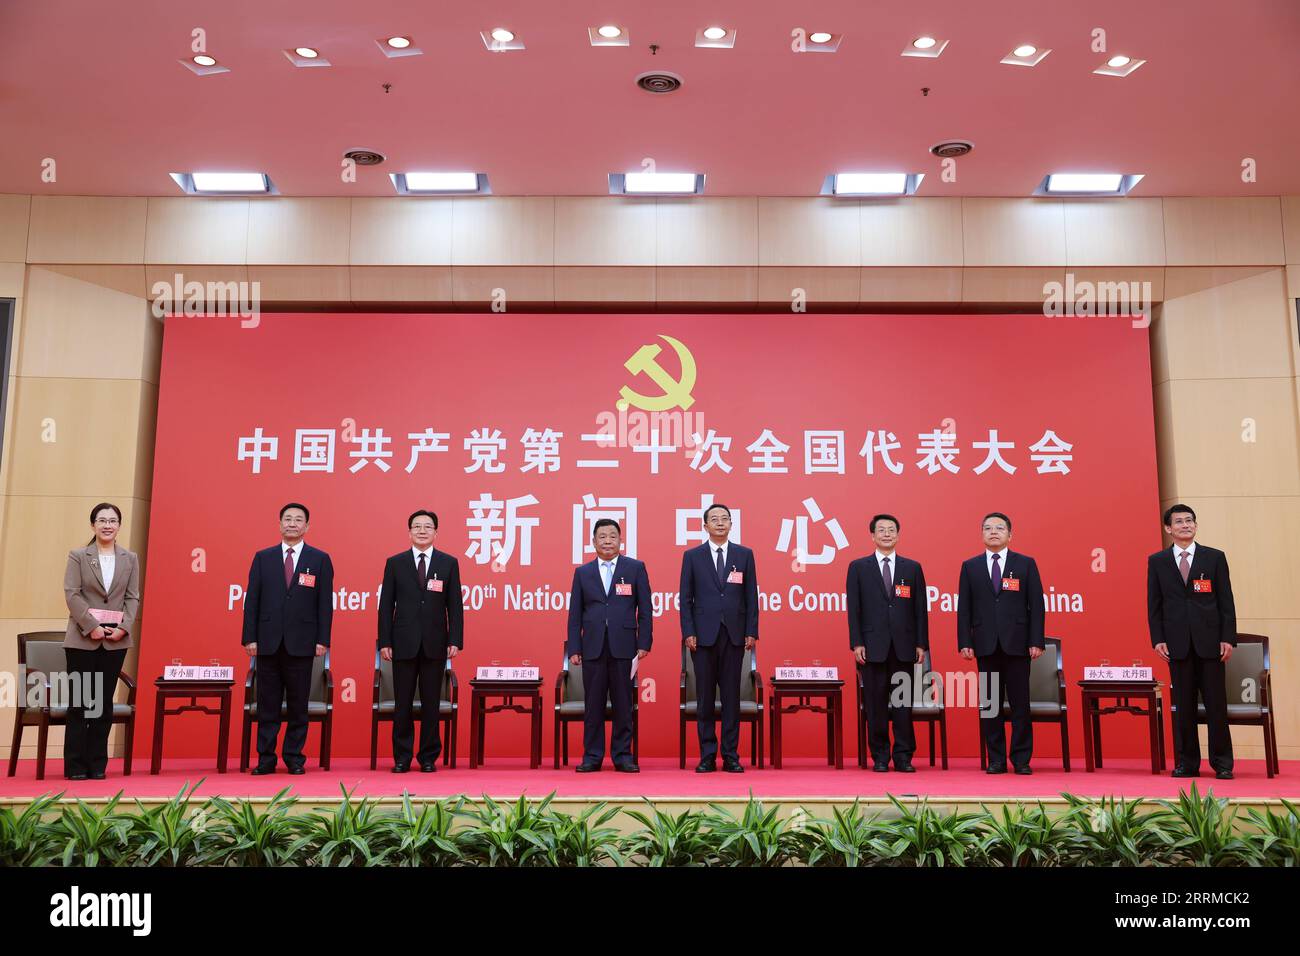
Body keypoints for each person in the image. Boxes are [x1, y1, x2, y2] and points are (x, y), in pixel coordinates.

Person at [240, 502, 333, 775]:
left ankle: (294, 758)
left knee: (297, 704)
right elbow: (252, 601)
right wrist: (250, 638)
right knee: (267, 704)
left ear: (307, 526)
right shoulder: (263, 558)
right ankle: (265, 758)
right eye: (288, 519)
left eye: (298, 520)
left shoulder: (319, 559)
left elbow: (324, 604)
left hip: (303, 643)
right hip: (267, 642)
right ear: (279, 524)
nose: (292, 524)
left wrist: (322, 640)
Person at [1147, 503, 1236, 780]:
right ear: (1168, 528)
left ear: (1195, 526)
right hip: (1177, 644)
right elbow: (1154, 604)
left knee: (1215, 706)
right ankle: (1187, 763)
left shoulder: (1214, 558)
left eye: (1189, 521)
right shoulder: (1158, 561)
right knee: (1183, 707)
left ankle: (1222, 763)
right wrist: (1158, 638)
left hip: (1211, 643)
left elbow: (1226, 602)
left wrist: (1227, 638)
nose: (1185, 525)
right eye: (1179, 522)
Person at [957, 511, 1044, 775]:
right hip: (985, 644)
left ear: (1010, 534)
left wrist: (1036, 640)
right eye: (988, 528)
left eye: (999, 528)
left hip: (1018, 645)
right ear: (981, 534)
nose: (993, 532)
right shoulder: (970, 566)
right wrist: (965, 641)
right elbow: (964, 608)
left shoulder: (1025, 564)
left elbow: (1037, 606)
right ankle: (995, 759)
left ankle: (1021, 759)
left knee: (1020, 704)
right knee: (990, 704)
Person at [378, 509, 464, 773]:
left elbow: (455, 606)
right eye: (417, 526)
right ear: (409, 532)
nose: (422, 530)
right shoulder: (395, 563)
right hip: (402, 643)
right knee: (402, 704)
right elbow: (386, 606)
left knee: (431, 705)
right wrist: (385, 642)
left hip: (435, 643)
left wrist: (455, 640)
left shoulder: (448, 563)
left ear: (436, 532)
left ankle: (428, 757)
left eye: (428, 526)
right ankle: (402, 758)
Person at [565, 519, 652, 773]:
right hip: (592, 646)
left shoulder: (635, 568)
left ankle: (623, 755)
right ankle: (592, 755)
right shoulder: (583, 573)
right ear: (593, 542)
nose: (607, 541)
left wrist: (644, 642)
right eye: (601, 537)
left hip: (624, 646)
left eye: (612, 536)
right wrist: (575, 648)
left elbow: (645, 609)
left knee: (624, 703)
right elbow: (575, 614)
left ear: (620, 540)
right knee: (593, 704)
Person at [62, 503, 140, 781]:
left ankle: (97, 764)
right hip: (83, 639)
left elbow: (132, 597)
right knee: (81, 702)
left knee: (102, 703)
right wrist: (92, 626)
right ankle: (74, 765)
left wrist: (123, 628)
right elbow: (72, 594)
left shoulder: (130, 558)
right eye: (102, 520)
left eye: (113, 520)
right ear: (93, 524)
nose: (108, 525)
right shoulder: (79, 556)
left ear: (119, 525)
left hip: (115, 640)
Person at [679, 502, 758, 773]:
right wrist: (688, 631)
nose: (720, 522)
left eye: (725, 518)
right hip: (702, 637)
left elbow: (751, 597)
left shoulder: (744, 555)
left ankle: (731, 755)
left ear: (731, 524)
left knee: (731, 699)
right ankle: (707, 755)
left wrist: (751, 630)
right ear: (705, 526)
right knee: (704, 699)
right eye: (714, 519)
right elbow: (685, 598)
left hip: (734, 635)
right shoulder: (692, 556)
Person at [846, 514, 928, 772]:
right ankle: (880, 756)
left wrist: (921, 644)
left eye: (891, 530)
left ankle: (903, 756)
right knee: (876, 705)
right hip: (872, 647)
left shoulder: (911, 568)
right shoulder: (858, 567)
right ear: (872, 535)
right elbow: (854, 609)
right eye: (881, 530)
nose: (886, 534)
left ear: (898, 535)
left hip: (904, 647)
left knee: (903, 704)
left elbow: (919, 610)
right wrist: (857, 642)